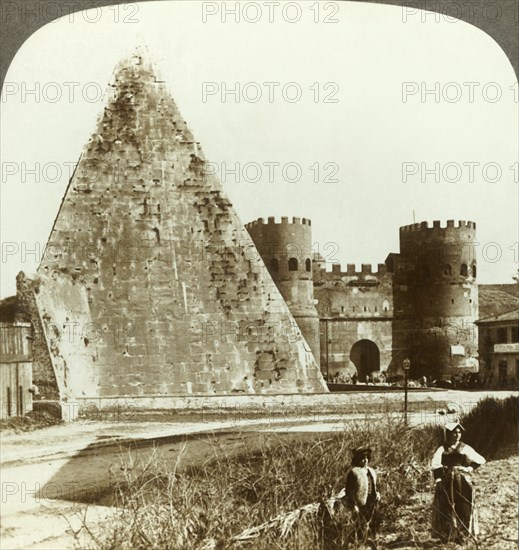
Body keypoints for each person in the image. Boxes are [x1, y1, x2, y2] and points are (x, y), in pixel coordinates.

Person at [431, 422, 486, 543]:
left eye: (459, 432)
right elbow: (436, 466)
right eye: (454, 433)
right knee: (447, 505)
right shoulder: (442, 449)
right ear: (449, 434)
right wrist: (439, 480)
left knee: (464, 505)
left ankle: (463, 534)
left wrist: (468, 468)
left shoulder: (465, 448)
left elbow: (480, 460)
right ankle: (448, 534)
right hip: (447, 482)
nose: (457, 435)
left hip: (462, 481)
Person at [344, 447, 380, 546]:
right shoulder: (354, 472)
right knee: (359, 524)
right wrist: (353, 505)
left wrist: (377, 493)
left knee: (372, 522)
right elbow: (349, 491)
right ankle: (359, 544)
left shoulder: (371, 471)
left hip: (372, 501)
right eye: (362, 458)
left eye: (367, 458)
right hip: (360, 503)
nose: (365, 460)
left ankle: (372, 542)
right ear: (357, 459)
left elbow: (374, 485)